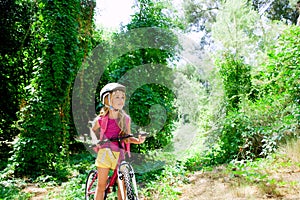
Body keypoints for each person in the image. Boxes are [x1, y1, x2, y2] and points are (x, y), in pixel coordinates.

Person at [92, 82, 146, 200]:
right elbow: (92, 130)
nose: (121, 100)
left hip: (120, 154)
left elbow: (126, 138)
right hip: (105, 153)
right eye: (117, 97)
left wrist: (138, 140)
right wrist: (95, 140)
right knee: (101, 186)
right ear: (107, 100)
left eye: (122, 97)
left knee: (123, 186)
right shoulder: (101, 119)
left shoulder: (125, 119)